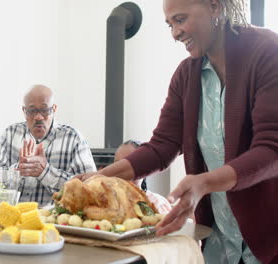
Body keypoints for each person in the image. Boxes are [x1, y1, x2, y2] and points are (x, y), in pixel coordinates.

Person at [77, 0, 278, 263]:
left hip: (269, 238)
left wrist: (204, 182)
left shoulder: (267, 52)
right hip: (219, 239)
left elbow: (271, 149)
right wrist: (100, 178)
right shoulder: (186, 75)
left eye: (180, 20)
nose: (174, 33)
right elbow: (162, 146)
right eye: (170, 24)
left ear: (215, 7)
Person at [0, 84, 96, 206]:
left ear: (54, 109)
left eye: (45, 110)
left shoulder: (73, 138)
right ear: (24, 111)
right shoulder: (11, 133)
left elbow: (89, 187)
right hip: (11, 217)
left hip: (53, 220)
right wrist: (17, 171)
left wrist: (46, 172)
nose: (38, 117)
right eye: (32, 111)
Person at [114, 140, 172, 215]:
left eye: (128, 166)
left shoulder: (158, 203)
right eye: (116, 165)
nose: (120, 171)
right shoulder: (103, 201)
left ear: (145, 170)